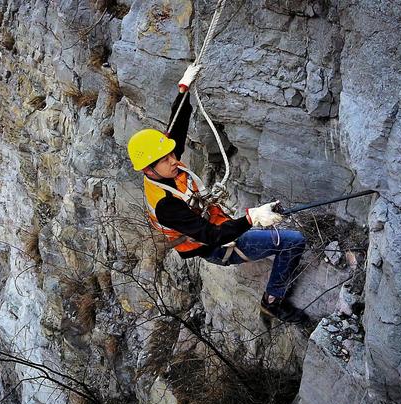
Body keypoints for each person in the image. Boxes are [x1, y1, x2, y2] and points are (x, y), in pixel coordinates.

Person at [127, 65, 308, 323]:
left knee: (272, 228)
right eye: (166, 158)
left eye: (171, 153)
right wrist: (250, 219)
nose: (174, 159)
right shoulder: (166, 206)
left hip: (216, 223)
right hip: (214, 246)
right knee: (294, 241)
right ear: (149, 169)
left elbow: (176, 125)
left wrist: (183, 90)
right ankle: (272, 302)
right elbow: (212, 236)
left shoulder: (163, 164)